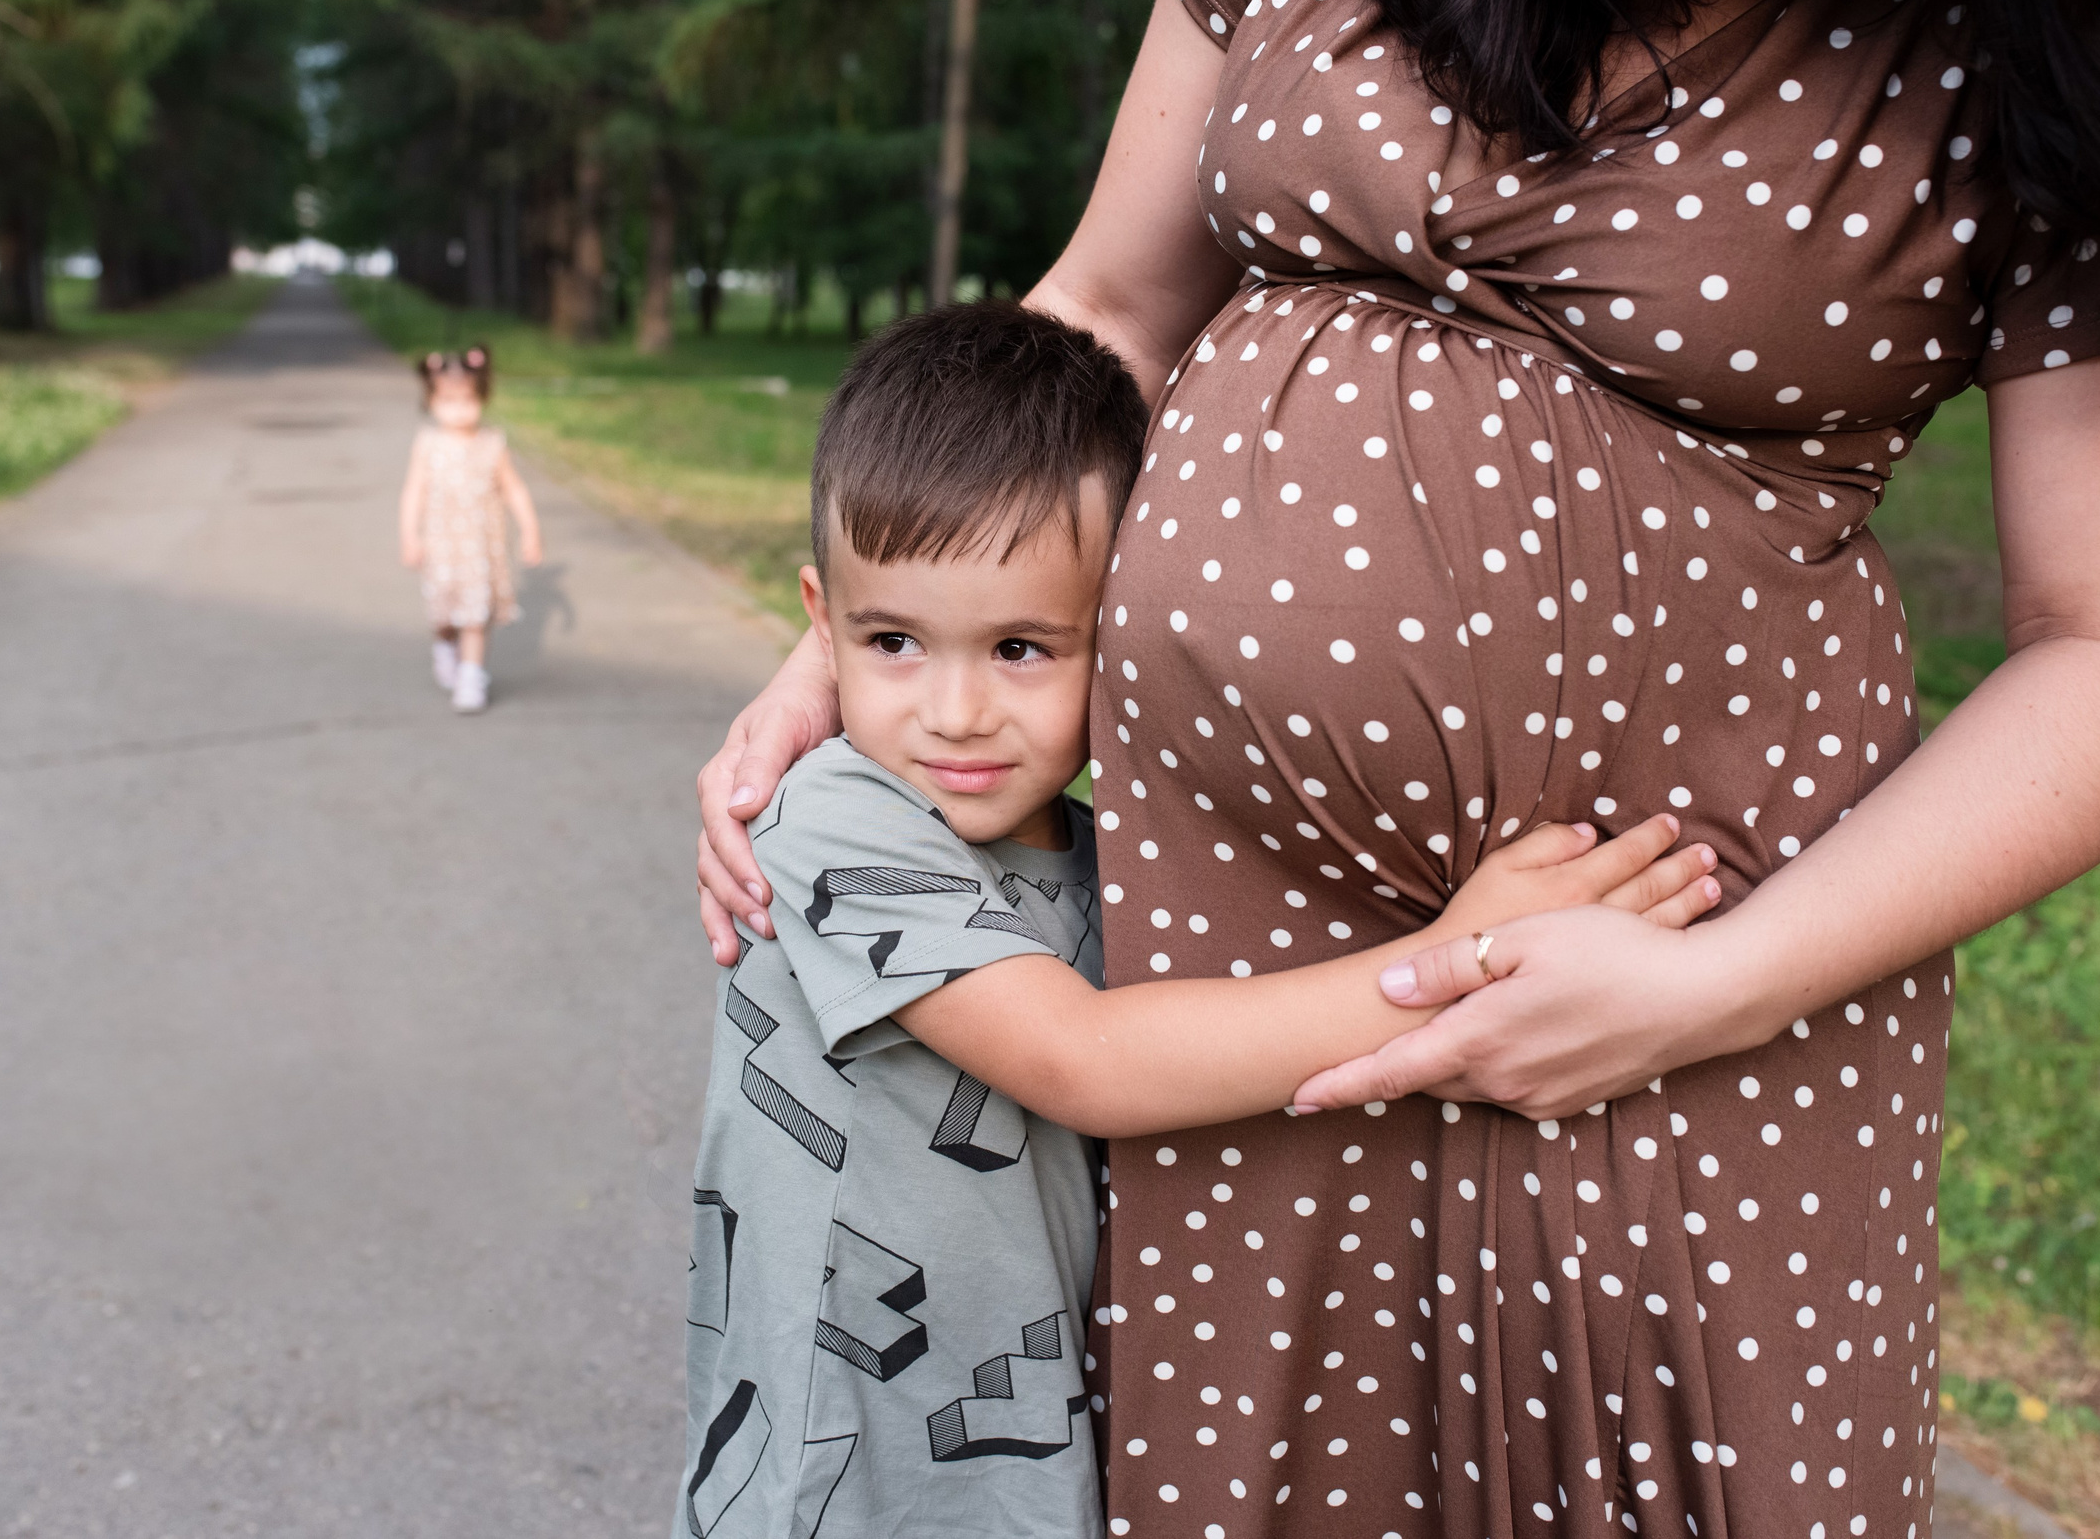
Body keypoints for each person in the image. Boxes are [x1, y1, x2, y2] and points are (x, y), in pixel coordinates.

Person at [696, 0, 2100, 1533]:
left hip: (1681, 979)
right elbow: (1110, 309)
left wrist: (1720, 980)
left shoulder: (2071, 20)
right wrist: (850, 647)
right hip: (1242, 957)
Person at [680, 301, 1718, 1539]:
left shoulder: (1100, 853)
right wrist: (1462, 955)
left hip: (1018, 1423)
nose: (952, 711)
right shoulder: (834, 821)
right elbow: (1087, 1060)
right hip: (844, 1456)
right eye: (893, 640)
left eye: (1021, 647)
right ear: (821, 617)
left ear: (1118, 638)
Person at [397, 345, 541, 713]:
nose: (458, 409)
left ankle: (471, 676)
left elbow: (514, 489)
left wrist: (530, 531)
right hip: (442, 547)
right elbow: (413, 491)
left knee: (475, 617)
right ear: (431, 400)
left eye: (467, 400)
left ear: (483, 398)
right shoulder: (428, 444)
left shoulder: (493, 443)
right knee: (445, 616)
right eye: (447, 400)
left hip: (481, 549)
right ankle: (445, 646)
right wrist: (409, 536)